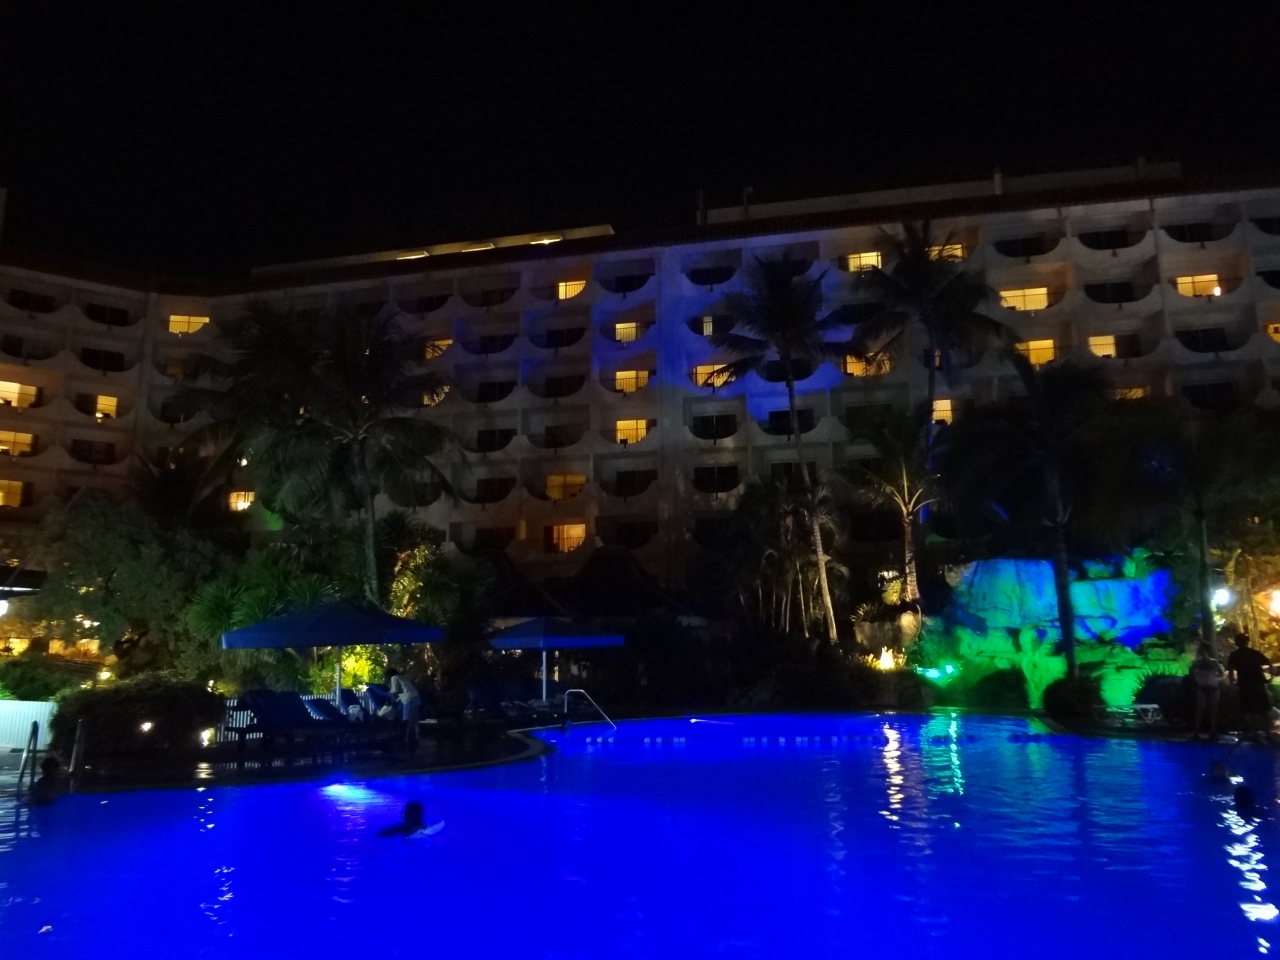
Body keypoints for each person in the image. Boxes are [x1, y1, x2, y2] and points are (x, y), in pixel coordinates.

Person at [1228, 633, 1274, 743]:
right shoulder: (1254, 653)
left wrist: (1232, 683)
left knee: (1248, 710)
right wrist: (1271, 676)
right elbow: (1269, 662)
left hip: (1245, 685)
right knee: (1263, 708)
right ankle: (1267, 732)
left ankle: (1254, 732)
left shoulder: (1234, 655)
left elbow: (1231, 671)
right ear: (1247, 641)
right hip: (1257, 684)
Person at [1190, 642, 1226, 741]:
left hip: (1213, 688)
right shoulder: (1197, 663)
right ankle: (1196, 732)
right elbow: (1192, 674)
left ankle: (1213, 732)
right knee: (1200, 711)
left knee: (1213, 711)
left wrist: (1217, 680)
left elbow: (1221, 672)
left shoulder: (1213, 662)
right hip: (1202, 688)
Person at [385, 667, 422, 753]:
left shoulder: (394, 678)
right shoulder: (403, 677)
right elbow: (402, 691)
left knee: (407, 721)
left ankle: (406, 741)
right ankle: (415, 739)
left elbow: (395, 691)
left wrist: (390, 696)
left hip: (409, 699)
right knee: (414, 720)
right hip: (415, 697)